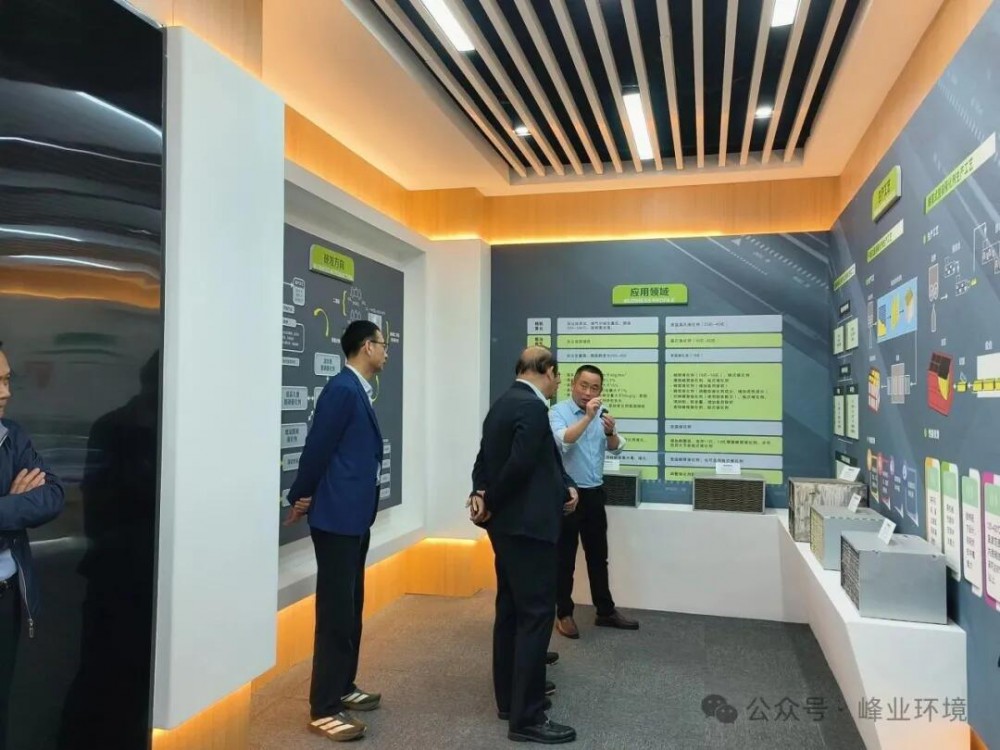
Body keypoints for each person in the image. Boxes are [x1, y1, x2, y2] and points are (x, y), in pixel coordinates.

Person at [285, 321, 388, 743]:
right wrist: (300, 494)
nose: (386, 352)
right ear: (366, 347)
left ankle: (343, 685)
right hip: (337, 519)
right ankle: (324, 707)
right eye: (382, 344)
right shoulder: (342, 390)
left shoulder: (357, 390)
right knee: (335, 614)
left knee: (350, 606)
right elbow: (318, 448)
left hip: (354, 516)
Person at [469, 346, 578, 744]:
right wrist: (492, 501)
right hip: (528, 528)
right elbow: (519, 465)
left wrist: (481, 495)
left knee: (511, 612)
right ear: (547, 370)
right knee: (535, 617)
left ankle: (509, 700)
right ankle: (527, 717)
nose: (557, 383)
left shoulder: (502, 404)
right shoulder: (531, 408)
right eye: (558, 376)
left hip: (508, 528)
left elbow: (485, 460)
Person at [0, 342, 65, 750]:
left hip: (6, 598)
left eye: (6, 380)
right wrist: (13, 505)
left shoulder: (12, 435)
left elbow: (52, 495)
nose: (5, 392)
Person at [549, 365, 639, 639]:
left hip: (594, 493)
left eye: (595, 388)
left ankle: (605, 611)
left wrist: (611, 433)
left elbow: (615, 448)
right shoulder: (558, 412)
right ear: (573, 385)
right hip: (567, 494)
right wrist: (588, 417)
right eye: (584, 386)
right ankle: (564, 614)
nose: (588, 392)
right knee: (564, 559)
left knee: (599, 556)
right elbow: (564, 441)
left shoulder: (602, 411)